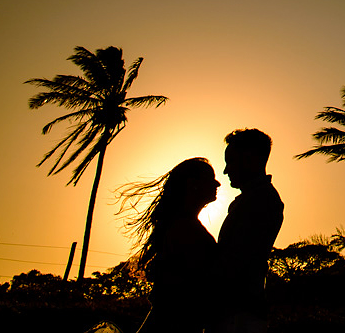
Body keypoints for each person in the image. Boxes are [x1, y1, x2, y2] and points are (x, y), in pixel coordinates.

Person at [119, 157, 220, 332]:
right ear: (193, 184)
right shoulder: (185, 229)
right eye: (210, 178)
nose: (217, 184)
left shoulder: (181, 224)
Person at [216, 128, 284, 333]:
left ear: (249, 159)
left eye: (231, 161)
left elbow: (235, 261)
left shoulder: (261, 201)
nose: (226, 170)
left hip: (239, 315)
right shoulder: (254, 199)